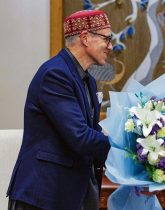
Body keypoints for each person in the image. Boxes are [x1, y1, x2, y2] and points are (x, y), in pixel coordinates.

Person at [7, 10, 112, 210]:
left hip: (73, 191)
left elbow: (92, 132)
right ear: (85, 38)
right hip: (44, 195)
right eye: (106, 39)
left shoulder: (88, 79)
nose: (110, 46)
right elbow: (80, 136)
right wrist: (126, 145)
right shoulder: (55, 74)